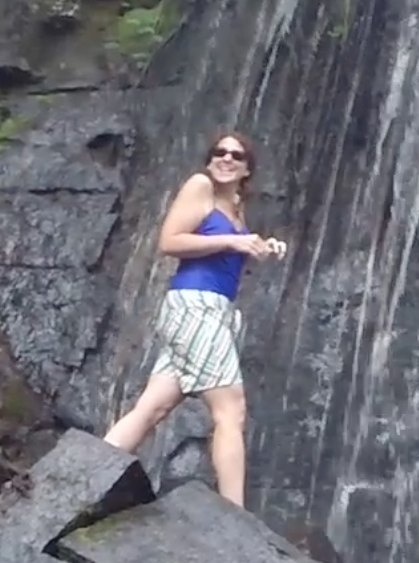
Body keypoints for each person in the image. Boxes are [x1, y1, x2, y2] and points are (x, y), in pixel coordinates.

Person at [103, 131, 287, 507]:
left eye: (236, 155)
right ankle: (235, 516)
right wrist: (232, 242)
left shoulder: (234, 206)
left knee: (152, 406)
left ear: (247, 168)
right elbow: (170, 241)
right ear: (208, 160)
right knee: (230, 410)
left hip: (213, 310)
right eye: (219, 152)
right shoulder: (200, 186)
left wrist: (260, 246)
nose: (226, 158)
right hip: (194, 306)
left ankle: (84, 472)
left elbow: (226, 250)